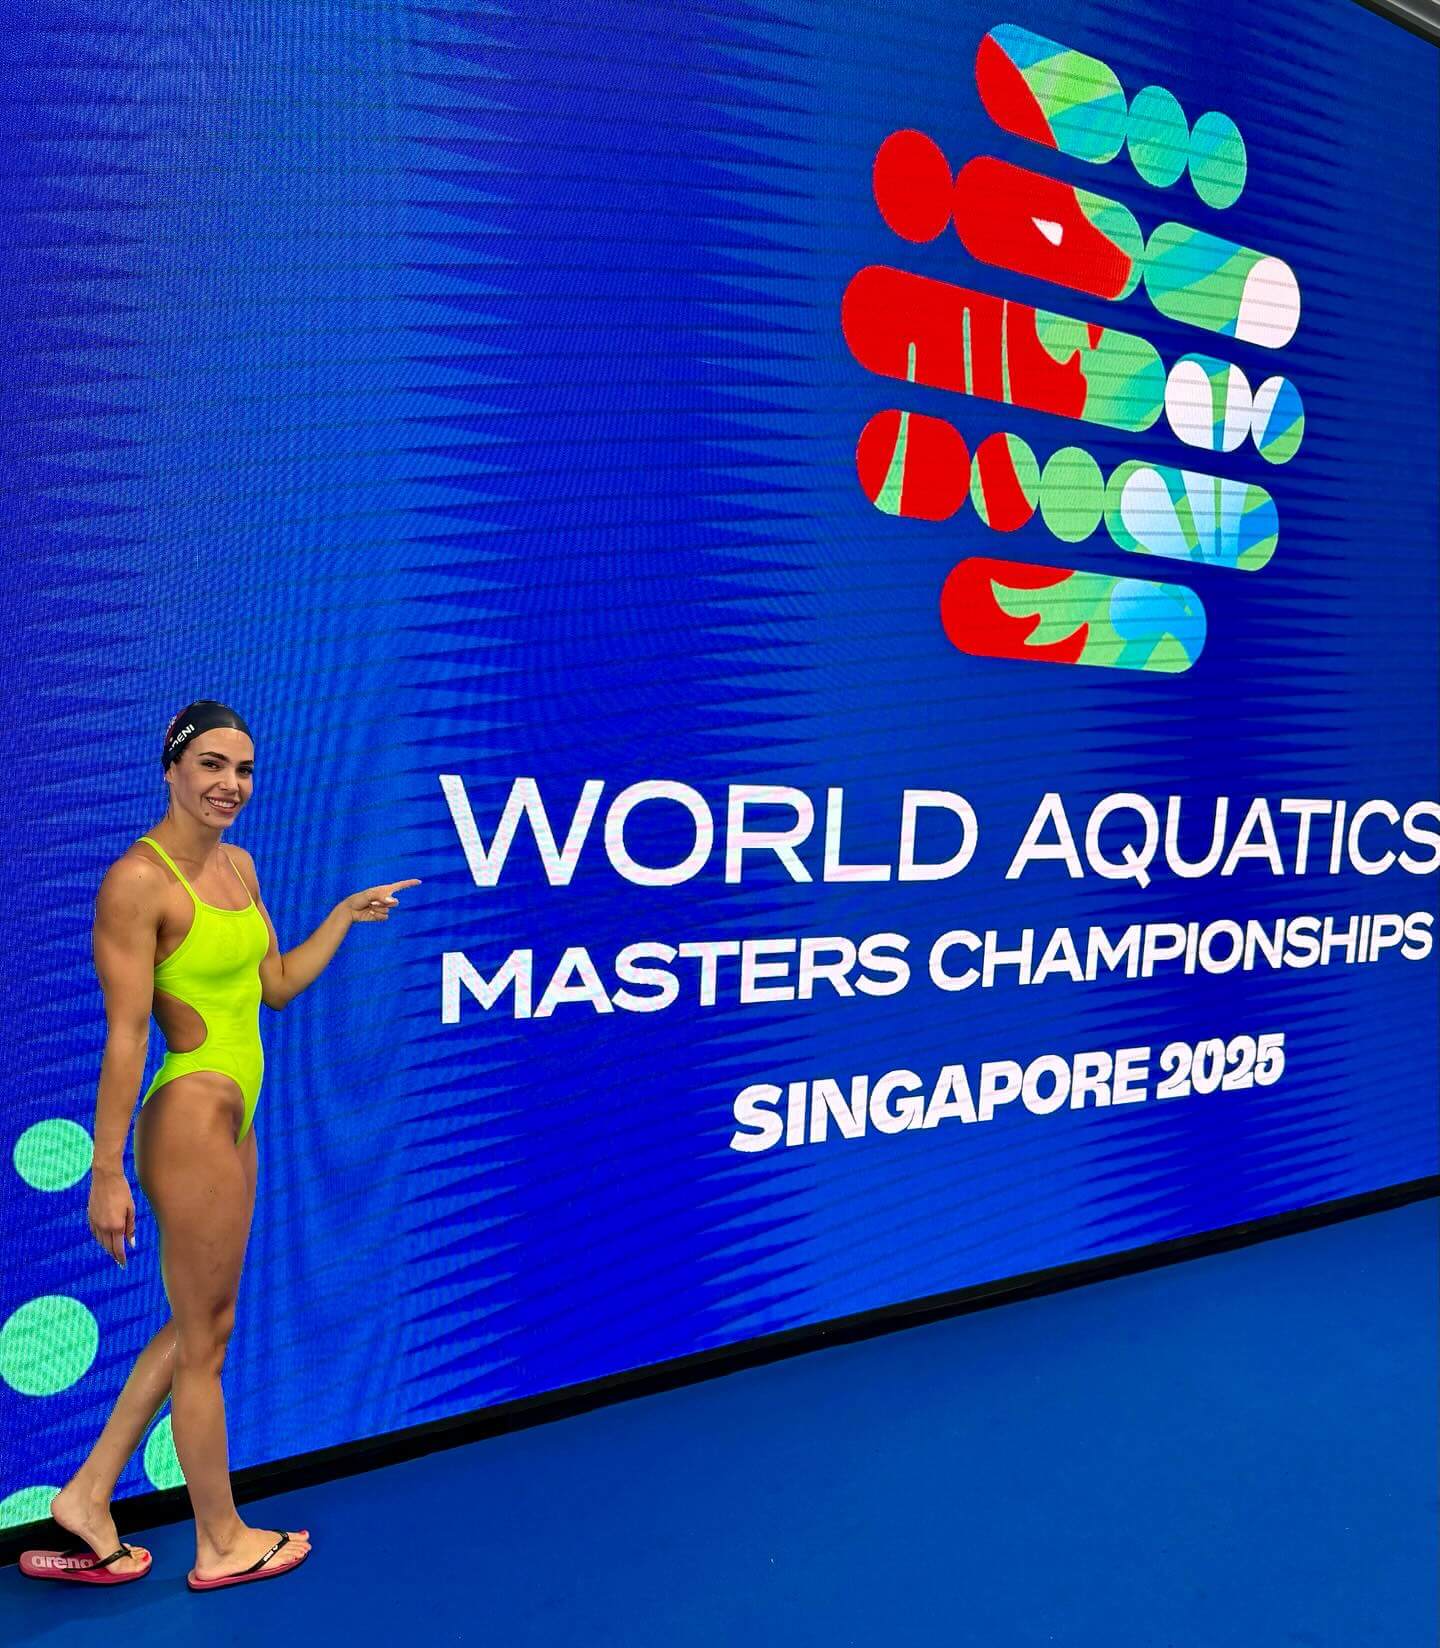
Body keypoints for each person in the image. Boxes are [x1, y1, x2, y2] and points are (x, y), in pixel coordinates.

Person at [19, 701, 420, 1592]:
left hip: (238, 1117)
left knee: (207, 1323)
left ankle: (86, 1496)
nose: (229, 785)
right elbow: (127, 1037)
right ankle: (221, 1540)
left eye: (242, 770)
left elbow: (273, 986)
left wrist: (343, 917)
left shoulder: (240, 866)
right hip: (188, 1117)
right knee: (205, 1342)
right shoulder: (137, 882)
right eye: (210, 764)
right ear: (171, 769)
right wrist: (106, 1171)